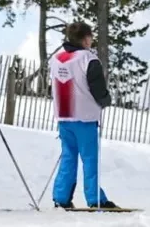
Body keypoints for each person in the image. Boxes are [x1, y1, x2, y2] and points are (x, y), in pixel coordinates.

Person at [50, 21, 118, 210]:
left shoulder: (56, 58)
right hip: (85, 117)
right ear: (86, 39)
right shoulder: (88, 59)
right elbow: (98, 88)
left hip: (64, 116)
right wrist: (106, 100)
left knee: (68, 157)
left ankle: (61, 196)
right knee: (89, 159)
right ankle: (95, 198)